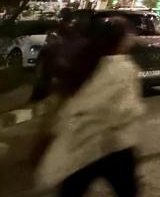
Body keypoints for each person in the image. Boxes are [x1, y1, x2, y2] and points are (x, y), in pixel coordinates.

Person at [35, 16, 144, 197]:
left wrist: (50, 134)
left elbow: (66, 104)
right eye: (129, 35)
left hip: (80, 144)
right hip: (114, 146)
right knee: (127, 192)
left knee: (72, 190)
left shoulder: (86, 63)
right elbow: (125, 110)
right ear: (121, 40)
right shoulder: (123, 68)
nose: (132, 38)